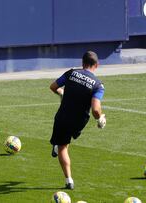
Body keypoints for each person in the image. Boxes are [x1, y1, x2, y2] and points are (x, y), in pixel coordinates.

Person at [49, 51, 106, 190]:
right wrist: (100, 119)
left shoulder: (71, 73)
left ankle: (69, 180)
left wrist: (61, 93)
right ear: (97, 65)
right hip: (79, 121)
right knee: (65, 141)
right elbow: (96, 110)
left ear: (82, 63)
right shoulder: (98, 85)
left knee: (63, 147)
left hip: (63, 116)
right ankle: (58, 144)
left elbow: (53, 86)